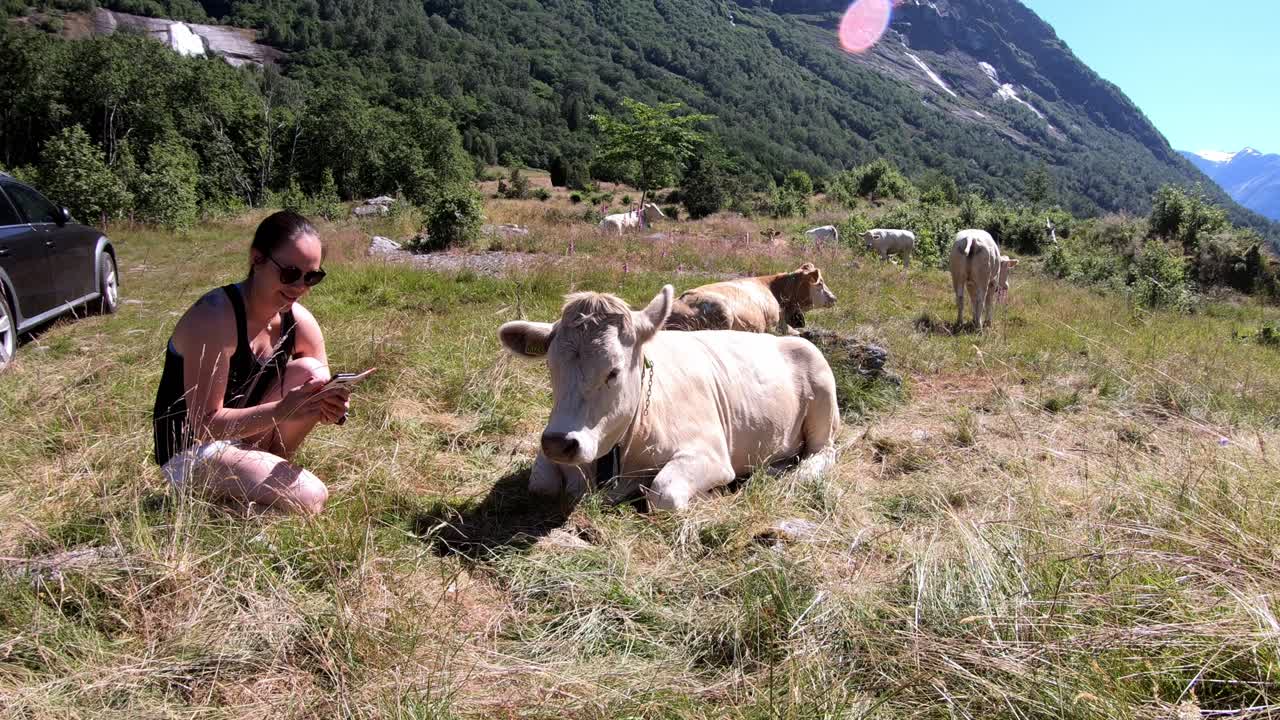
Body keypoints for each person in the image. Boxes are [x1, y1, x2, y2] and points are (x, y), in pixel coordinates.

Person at [151, 211, 349, 514]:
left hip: (243, 438)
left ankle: (254, 485)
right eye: (290, 273)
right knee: (312, 497)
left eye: (312, 277)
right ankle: (220, 504)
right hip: (191, 449)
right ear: (257, 258)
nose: (300, 286)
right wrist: (283, 410)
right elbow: (204, 426)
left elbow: (318, 395)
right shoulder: (215, 317)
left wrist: (329, 406)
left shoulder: (300, 323)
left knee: (313, 373)